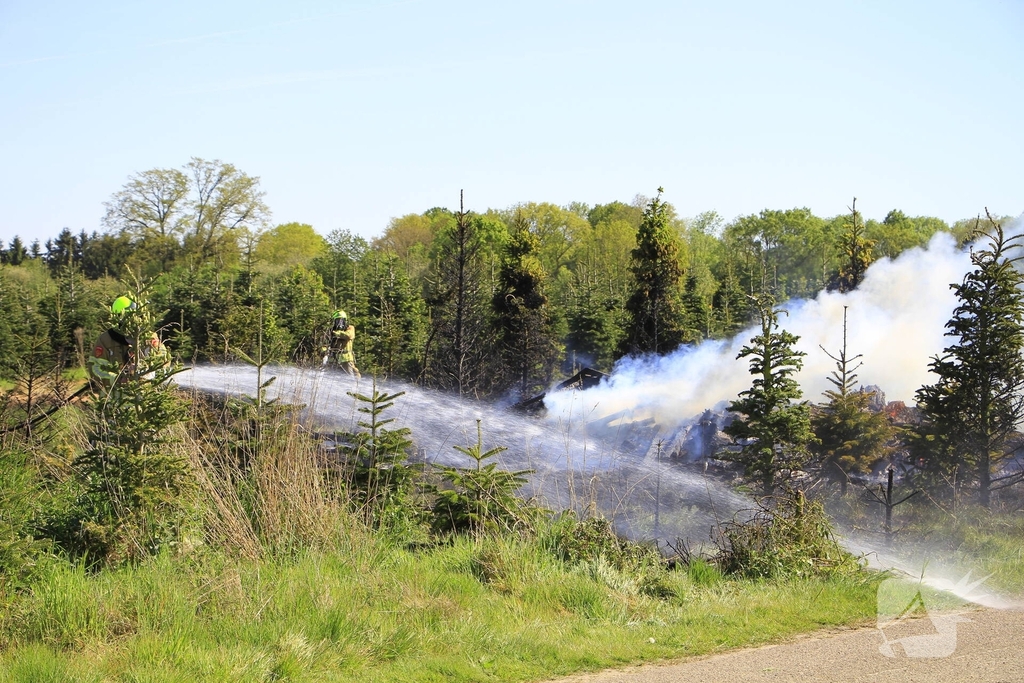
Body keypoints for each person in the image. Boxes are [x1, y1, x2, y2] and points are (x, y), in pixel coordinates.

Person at [89, 296, 168, 386]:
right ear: (119, 319)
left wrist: (145, 370)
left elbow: (163, 359)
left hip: (144, 395)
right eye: (128, 318)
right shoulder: (106, 340)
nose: (133, 322)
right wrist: (117, 379)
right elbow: (95, 368)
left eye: (138, 317)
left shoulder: (148, 337)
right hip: (115, 397)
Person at [322, 309, 361, 378]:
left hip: (346, 360)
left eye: (341, 320)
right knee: (328, 378)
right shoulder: (331, 331)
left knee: (350, 378)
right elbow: (325, 343)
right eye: (337, 320)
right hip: (333, 359)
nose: (339, 323)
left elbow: (349, 336)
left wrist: (337, 333)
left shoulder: (350, 328)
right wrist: (324, 352)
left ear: (345, 320)